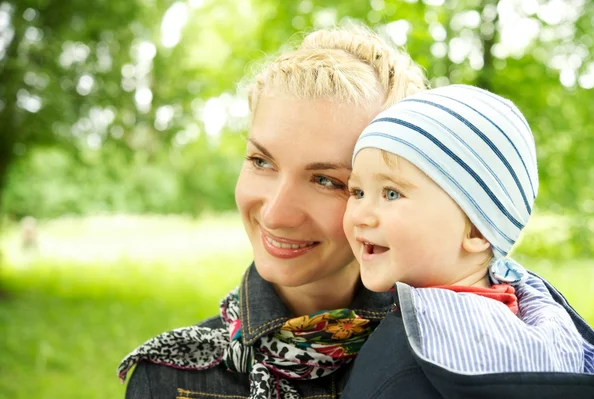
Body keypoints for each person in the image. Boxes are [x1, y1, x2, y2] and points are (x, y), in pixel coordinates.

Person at [117, 26, 429, 398]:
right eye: (261, 161)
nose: (277, 215)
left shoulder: (453, 359)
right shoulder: (169, 379)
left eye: (327, 181)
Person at [341, 84, 594, 398]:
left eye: (391, 193)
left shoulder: (411, 358)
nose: (361, 215)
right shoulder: (546, 330)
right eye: (357, 192)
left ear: (476, 232)